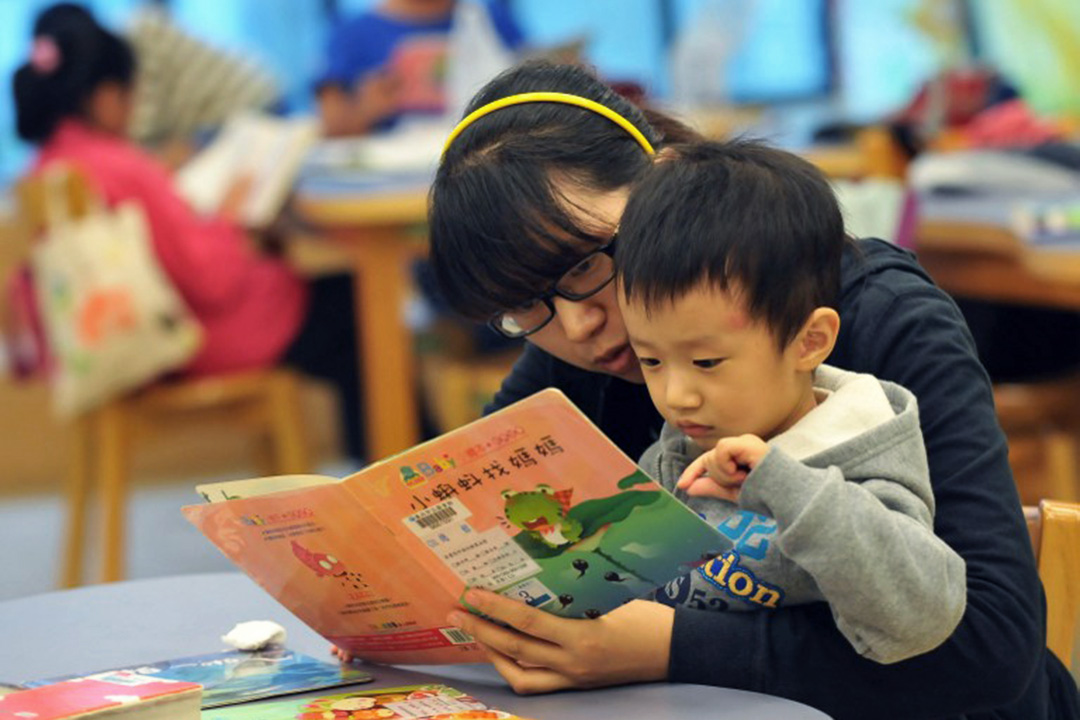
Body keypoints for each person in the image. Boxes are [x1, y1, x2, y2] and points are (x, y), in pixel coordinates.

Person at [426, 61, 1079, 719]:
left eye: (587, 262)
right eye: (522, 307)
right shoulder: (586, 343)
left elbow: (990, 649)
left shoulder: (882, 317)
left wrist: (667, 646)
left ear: (666, 178)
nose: (578, 324)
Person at [613, 139, 965, 665]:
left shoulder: (861, 450)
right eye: (651, 361)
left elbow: (922, 616)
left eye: (706, 362)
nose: (675, 395)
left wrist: (788, 488)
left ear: (809, 341)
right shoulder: (677, 453)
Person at [12, 4, 364, 461]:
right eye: (130, 96)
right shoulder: (122, 166)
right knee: (361, 310)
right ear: (105, 96)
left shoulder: (51, 165)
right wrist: (232, 214)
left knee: (345, 314)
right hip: (196, 342)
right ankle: (407, 487)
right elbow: (213, 281)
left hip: (135, 344)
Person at [315, 0, 524, 136]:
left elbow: (531, 82)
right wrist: (365, 111)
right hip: (390, 187)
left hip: (483, 167)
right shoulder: (353, 35)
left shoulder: (486, 18)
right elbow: (330, 130)